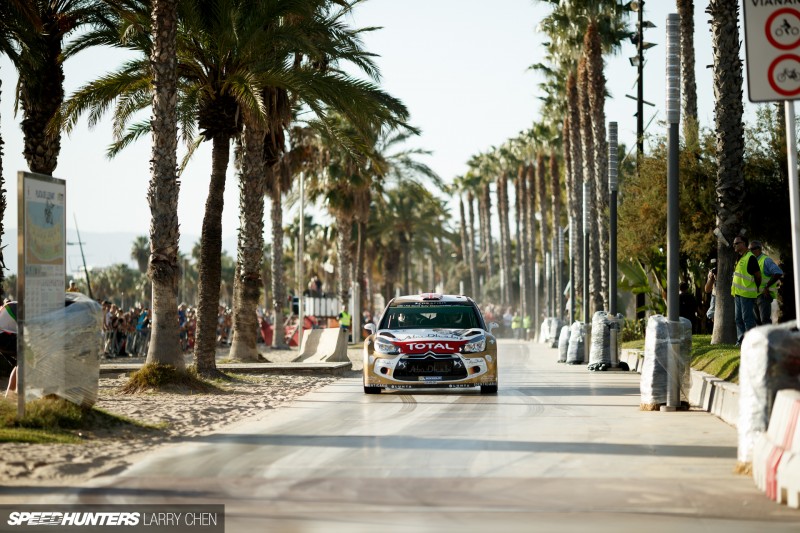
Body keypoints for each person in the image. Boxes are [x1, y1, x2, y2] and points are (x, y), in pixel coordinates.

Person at [731, 236, 762, 346]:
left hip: (747, 295)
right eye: (734, 243)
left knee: (747, 319)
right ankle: (741, 341)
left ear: (743, 244)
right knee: (738, 318)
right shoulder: (739, 258)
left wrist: (755, 288)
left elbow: (758, 276)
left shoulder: (751, 258)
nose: (734, 245)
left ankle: (752, 342)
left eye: (736, 243)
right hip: (738, 294)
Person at [748, 240, 784, 326]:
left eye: (752, 249)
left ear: (759, 249)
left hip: (763, 295)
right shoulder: (752, 261)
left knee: (765, 321)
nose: (750, 251)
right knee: (758, 323)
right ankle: (762, 339)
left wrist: (767, 287)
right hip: (754, 295)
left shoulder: (765, 260)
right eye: (749, 249)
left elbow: (778, 272)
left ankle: (769, 339)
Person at [705, 262, 717, 333]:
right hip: (715, 296)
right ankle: (715, 332)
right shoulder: (712, 272)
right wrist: (711, 279)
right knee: (713, 314)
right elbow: (707, 290)